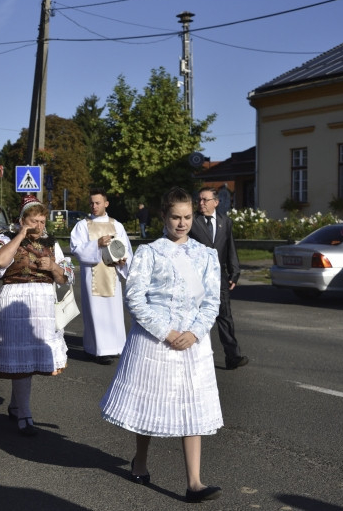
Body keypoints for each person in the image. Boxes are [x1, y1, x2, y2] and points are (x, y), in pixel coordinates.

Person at [100, 187, 223, 503]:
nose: (182, 223)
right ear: (164, 216)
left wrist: (194, 333)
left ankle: (194, 483)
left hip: (193, 342)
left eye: (187, 217)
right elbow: (135, 299)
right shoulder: (149, 252)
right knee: (150, 405)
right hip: (156, 340)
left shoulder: (206, 254)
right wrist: (167, 333)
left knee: (192, 407)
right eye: (176, 217)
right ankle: (140, 460)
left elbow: (212, 301)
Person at [0, 195, 73, 436]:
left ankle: (17, 406)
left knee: (30, 358)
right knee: (20, 356)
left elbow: (64, 278)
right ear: (22, 220)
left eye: (42, 221)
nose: (39, 226)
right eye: (33, 221)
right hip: (15, 301)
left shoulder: (51, 243)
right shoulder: (6, 239)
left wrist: (53, 267)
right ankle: (24, 413)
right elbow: (0, 261)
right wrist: (21, 235)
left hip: (42, 302)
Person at [69, 189, 133, 365]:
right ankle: (96, 349)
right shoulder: (83, 225)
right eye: (91, 203)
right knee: (95, 313)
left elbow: (126, 248)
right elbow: (76, 249)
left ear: (106, 203)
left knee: (113, 312)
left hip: (112, 275)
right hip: (92, 275)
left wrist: (123, 261)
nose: (94, 206)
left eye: (98, 203)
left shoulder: (117, 225)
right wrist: (96, 243)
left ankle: (115, 347)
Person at [189, 186, 249, 370]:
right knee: (195, 317)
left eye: (205, 200)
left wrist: (234, 272)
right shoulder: (192, 221)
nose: (201, 203)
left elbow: (230, 247)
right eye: (199, 200)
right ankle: (193, 356)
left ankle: (233, 356)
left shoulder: (225, 221)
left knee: (225, 316)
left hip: (218, 278)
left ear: (216, 202)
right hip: (196, 278)